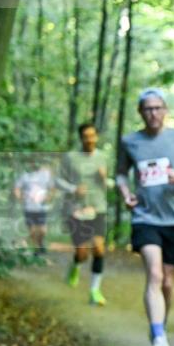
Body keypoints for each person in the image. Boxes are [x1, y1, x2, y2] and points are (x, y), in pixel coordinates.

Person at [116, 89, 174, 346]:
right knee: (154, 274)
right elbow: (120, 174)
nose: (153, 113)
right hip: (145, 219)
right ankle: (158, 338)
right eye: (147, 109)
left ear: (165, 110)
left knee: (167, 282)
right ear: (140, 112)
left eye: (157, 108)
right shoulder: (129, 141)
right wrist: (125, 194)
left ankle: (160, 326)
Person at [59, 123, 110, 305]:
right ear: (81, 138)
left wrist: (105, 179)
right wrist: (73, 189)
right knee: (82, 253)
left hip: (98, 208)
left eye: (92, 135)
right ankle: (75, 265)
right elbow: (58, 180)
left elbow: (110, 184)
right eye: (86, 136)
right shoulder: (70, 157)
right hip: (76, 210)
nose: (90, 139)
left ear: (97, 137)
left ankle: (95, 291)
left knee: (98, 248)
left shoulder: (103, 157)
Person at [14, 158, 54, 255]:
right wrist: (19, 197)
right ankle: (37, 250)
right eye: (33, 162)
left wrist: (49, 197)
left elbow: (52, 188)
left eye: (37, 163)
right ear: (30, 164)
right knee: (32, 231)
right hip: (29, 208)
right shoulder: (25, 176)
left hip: (41, 208)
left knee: (43, 231)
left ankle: (40, 243)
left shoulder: (45, 175)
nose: (35, 164)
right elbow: (17, 188)